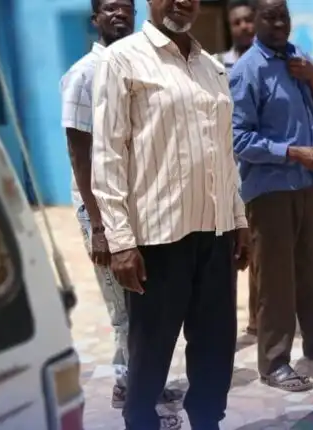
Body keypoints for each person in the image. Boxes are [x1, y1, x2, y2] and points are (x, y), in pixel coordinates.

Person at [91, 0, 250, 428]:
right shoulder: (121, 60)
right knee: (151, 354)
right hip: (157, 239)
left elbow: (224, 153)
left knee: (216, 347)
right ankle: (140, 421)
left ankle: (207, 420)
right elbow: (108, 156)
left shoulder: (211, 67)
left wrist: (238, 220)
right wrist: (120, 242)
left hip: (215, 232)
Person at [59, 0, 182, 424]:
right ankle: (138, 398)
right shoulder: (83, 75)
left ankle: (133, 381)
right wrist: (98, 226)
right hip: (102, 209)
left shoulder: (139, 65)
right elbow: (79, 155)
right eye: (109, 8)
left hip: (140, 205)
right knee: (124, 309)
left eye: (125, 7)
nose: (119, 15)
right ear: (95, 19)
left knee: (144, 301)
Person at [230, 0, 313, 393]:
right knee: (276, 280)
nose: (278, 24)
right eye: (269, 17)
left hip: (304, 185)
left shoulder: (298, 60)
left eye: (283, 16)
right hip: (269, 191)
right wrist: (291, 152)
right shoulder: (247, 71)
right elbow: (238, 139)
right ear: (256, 21)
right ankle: (274, 363)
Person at [215, 0, 256, 73]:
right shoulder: (217, 64)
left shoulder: (274, 61)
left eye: (248, 20)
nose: (243, 26)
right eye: (237, 23)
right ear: (229, 28)